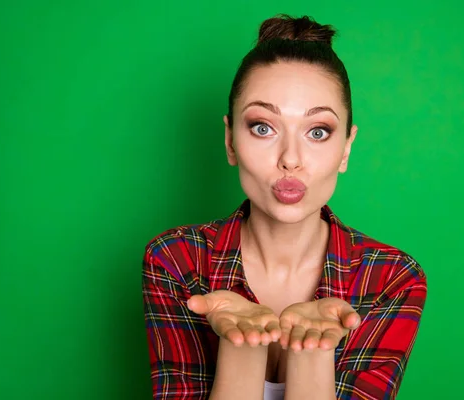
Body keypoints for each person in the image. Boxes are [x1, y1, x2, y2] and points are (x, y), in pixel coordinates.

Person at [142, 14, 427, 400]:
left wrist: (311, 351)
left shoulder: (392, 280)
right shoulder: (175, 261)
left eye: (318, 131)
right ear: (230, 141)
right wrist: (243, 346)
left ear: (345, 147)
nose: (291, 159)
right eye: (263, 127)